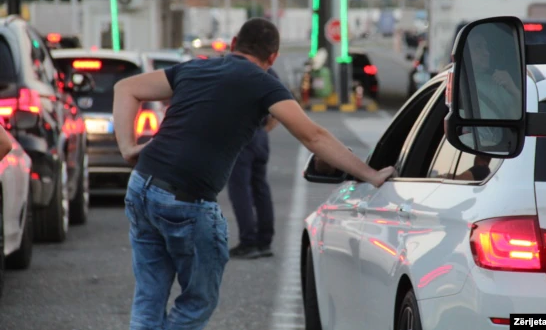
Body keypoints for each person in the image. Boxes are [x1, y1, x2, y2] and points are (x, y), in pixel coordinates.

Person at [112, 17, 395, 330]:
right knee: (197, 303)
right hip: (187, 202)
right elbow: (313, 136)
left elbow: (125, 88)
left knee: (149, 297)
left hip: (142, 186)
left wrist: (127, 146)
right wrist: (370, 174)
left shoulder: (194, 68)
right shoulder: (263, 83)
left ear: (234, 44)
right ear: (272, 57)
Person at [227, 67, 282, 260]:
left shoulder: (234, 69)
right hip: (260, 134)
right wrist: (264, 129)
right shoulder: (269, 72)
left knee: (240, 189)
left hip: (241, 135)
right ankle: (264, 241)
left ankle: (248, 242)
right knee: (260, 187)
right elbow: (281, 106)